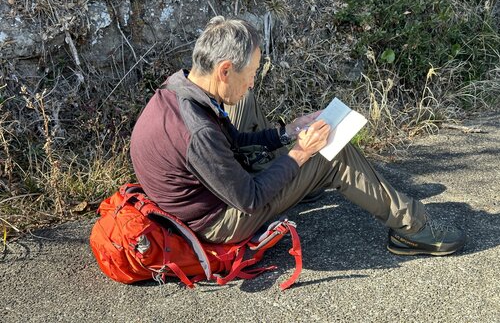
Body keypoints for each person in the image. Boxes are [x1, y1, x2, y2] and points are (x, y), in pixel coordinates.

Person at [130, 16, 466, 256]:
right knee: (335, 157)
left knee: (244, 102)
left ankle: (300, 185)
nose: (253, 82)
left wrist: (286, 133)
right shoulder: (198, 130)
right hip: (220, 221)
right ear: (225, 70)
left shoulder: (181, 88)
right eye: (250, 74)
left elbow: (228, 142)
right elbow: (250, 198)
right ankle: (413, 229)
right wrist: (301, 154)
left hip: (209, 191)